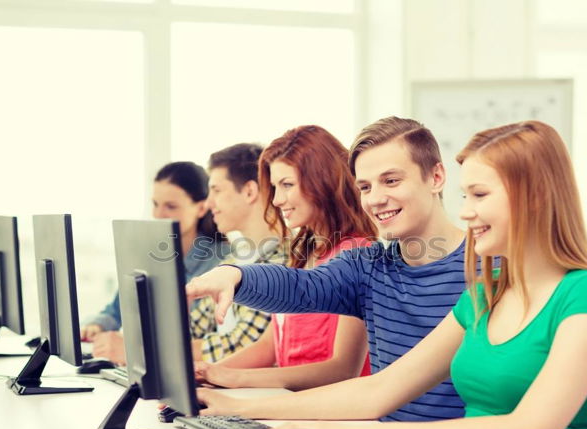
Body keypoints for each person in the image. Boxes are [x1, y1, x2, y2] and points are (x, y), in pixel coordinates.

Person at [193, 120, 587, 429]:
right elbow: (375, 388)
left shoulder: (577, 294)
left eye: (478, 194)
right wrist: (237, 277)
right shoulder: (485, 294)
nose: (466, 210)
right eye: (364, 187)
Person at [188, 117, 466, 420]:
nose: (375, 199)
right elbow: (299, 287)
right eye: (365, 186)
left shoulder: (493, 270)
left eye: (391, 180)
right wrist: (234, 275)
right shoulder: (367, 267)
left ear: (436, 177)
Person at [194, 125, 377, 391]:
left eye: (287, 185)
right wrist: (209, 375)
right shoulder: (301, 253)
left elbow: (343, 369)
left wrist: (233, 379)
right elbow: (270, 347)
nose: (277, 200)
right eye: (275, 187)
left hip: (334, 414)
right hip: (292, 404)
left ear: (322, 180)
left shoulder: (359, 253)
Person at [81, 161, 228, 365]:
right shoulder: (150, 254)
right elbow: (116, 311)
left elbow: (193, 334)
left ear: (201, 208)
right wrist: (97, 326)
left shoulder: (223, 262)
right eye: (155, 204)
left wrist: (131, 348)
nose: (158, 215)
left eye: (171, 206)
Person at [189, 143, 288, 362]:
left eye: (216, 190)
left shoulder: (286, 261)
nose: (208, 203)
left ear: (249, 191)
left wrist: (160, 351)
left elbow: (242, 345)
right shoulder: (234, 259)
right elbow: (195, 325)